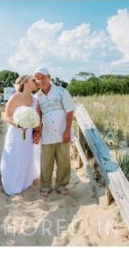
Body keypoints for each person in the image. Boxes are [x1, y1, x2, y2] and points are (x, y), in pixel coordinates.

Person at [33, 66, 75, 197]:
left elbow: (70, 111)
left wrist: (67, 131)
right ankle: (45, 186)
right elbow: (38, 116)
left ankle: (61, 185)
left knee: (63, 161)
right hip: (47, 134)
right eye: (38, 79)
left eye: (43, 78)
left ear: (49, 77)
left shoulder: (61, 92)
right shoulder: (37, 97)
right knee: (46, 162)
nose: (40, 81)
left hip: (63, 132)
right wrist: (37, 132)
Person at [0, 74, 41, 196]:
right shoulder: (15, 97)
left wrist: (36, 132)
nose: (36, 82)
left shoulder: (35, 100)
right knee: (14, 158)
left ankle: (24, 183)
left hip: (28, 135)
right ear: (25, 82)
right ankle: (11, 185)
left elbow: (37, 119)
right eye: (33, 80)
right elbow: (6, 116)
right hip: (15, 133)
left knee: (26, 158)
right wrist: (18, 125)